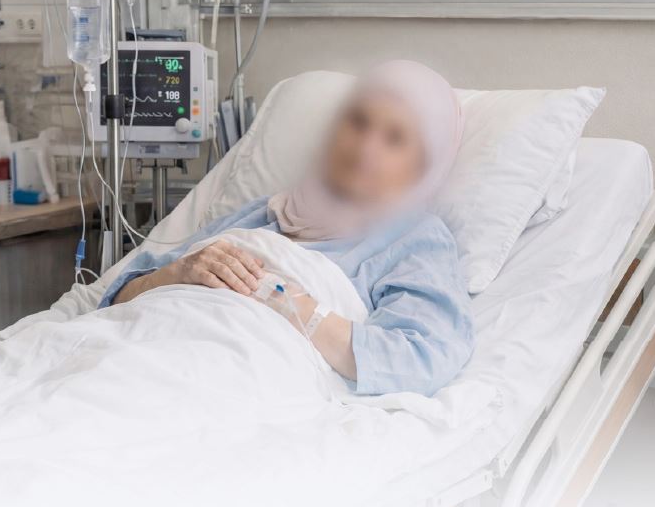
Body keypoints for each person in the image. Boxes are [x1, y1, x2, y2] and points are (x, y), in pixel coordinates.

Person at [101, 60, 473, 396]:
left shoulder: (416, 238)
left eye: (394, 139)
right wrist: (178, 271)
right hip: (135, 342)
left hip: (222, 376)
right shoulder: (265, 212)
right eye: (359, 122)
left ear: (421, 166)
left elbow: (422, 358)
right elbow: (118, 296)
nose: (365, 147)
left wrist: (297, 309)